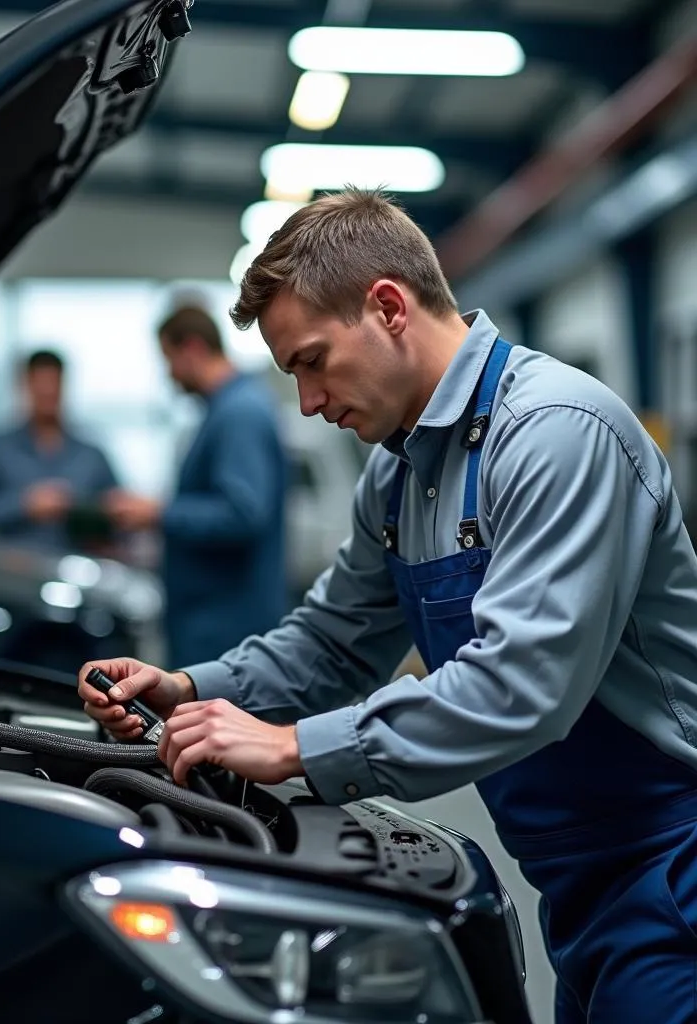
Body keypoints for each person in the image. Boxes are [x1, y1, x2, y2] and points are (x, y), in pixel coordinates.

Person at [79, 188, 697, 1023]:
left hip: (675, 864)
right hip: (581, 881)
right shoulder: (402, 475)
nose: (306, 403)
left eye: (310, 361)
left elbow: (522, 686)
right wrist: (188, 688)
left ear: (387, 307)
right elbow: (333, 643)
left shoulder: (556, 433)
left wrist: (298, 745)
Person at [104, 305, 289, 666]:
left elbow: (242, 513)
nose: (169, 374)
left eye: (169, 359)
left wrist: (158, 512)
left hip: (227, 627)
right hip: (211, 622)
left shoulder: (240, 414)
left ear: (191, 349)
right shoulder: (224, 410)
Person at [0, 349, 119, 551]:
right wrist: (23, 504)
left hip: (77, 567)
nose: (48, 392)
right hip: (12, 570)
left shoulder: (91, 452)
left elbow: (117, 511)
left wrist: (82, 510)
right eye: (40, 385)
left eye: (54, 384)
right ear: (24, 386)